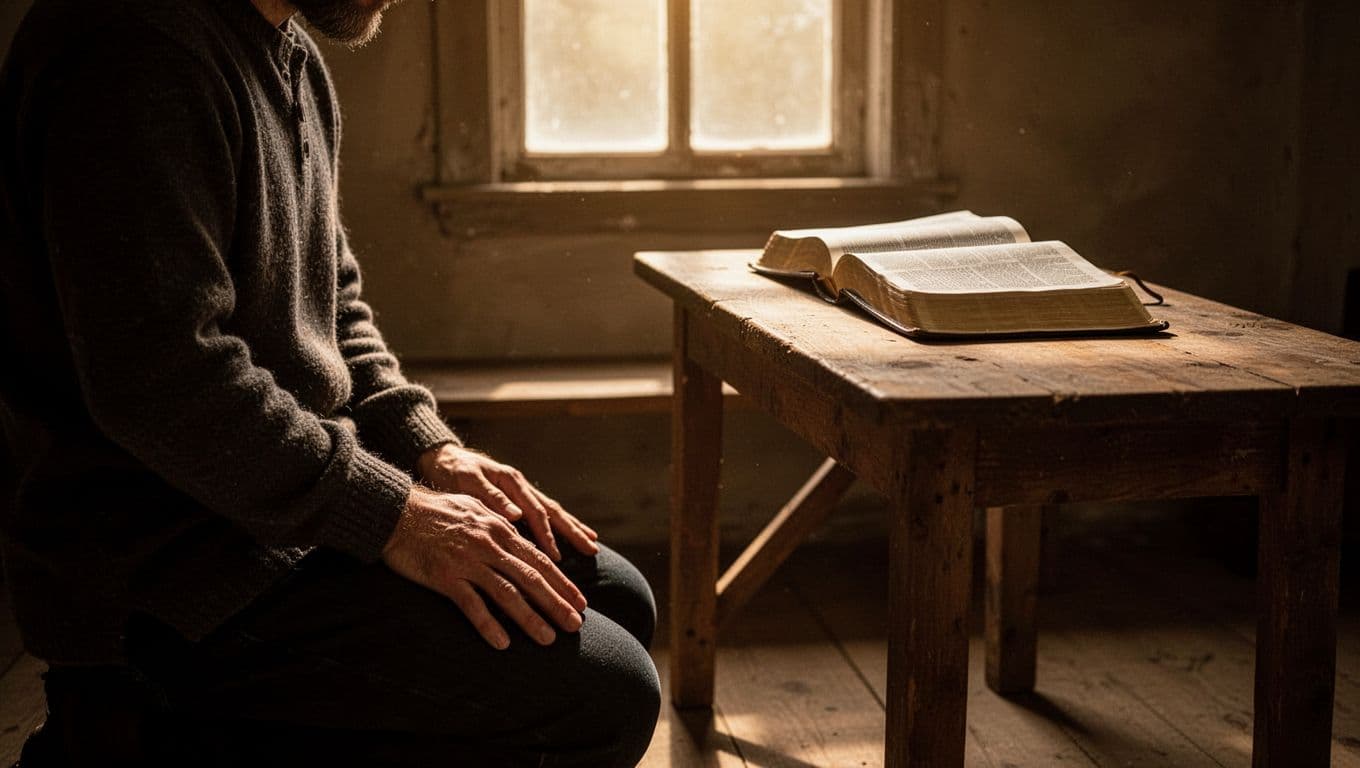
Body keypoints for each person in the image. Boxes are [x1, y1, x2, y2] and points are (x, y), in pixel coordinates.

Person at [0, 0, 661, 764]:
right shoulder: (131, 46)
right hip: (163, 572)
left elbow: (333, 302)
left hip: (268, 513)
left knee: (612, 598)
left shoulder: (288, 51)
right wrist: (394, 516)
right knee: (604, 700)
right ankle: (124, 732)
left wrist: (426, 450)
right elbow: (163, 381)